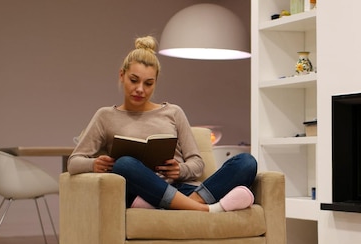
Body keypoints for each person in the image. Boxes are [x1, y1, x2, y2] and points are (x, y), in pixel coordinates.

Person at [68, 36, 257, 212]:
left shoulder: (173, 112)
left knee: (246, 162)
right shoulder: (105, 116)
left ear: (155, 83)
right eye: (134, 80)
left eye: (148, 83)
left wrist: (179, 169)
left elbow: (197, 164)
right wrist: (94, 164)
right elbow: (74, 162)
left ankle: (183, 205)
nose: (140, 89)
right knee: (124, 164)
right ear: (121, 75)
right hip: (140, 190)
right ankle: (205, 209)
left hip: (178, 187)